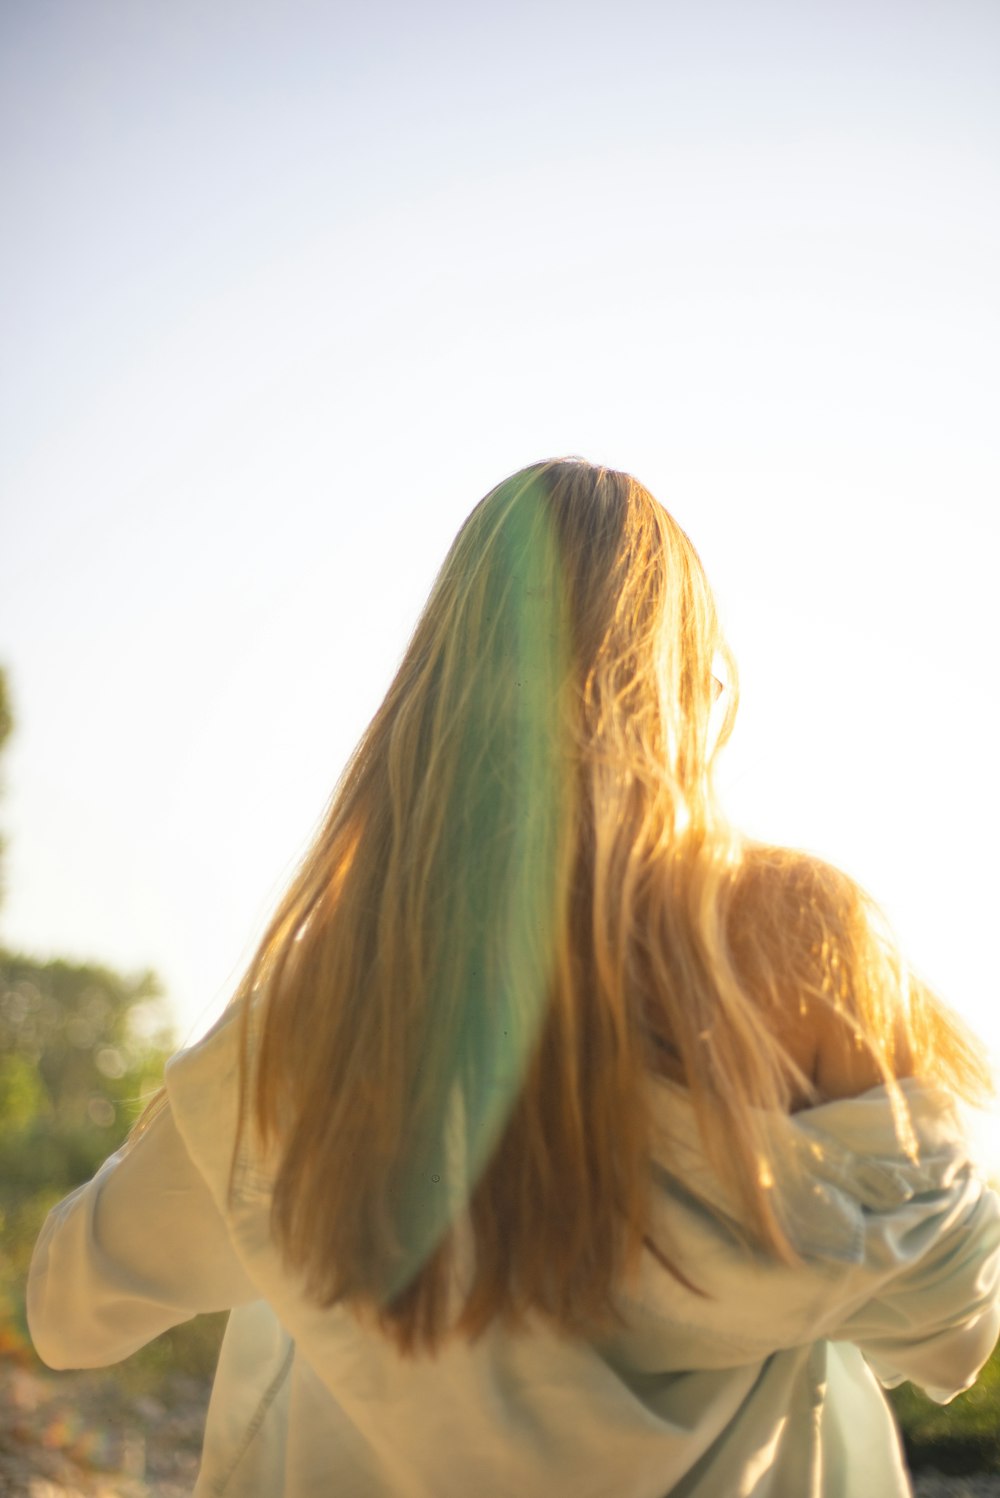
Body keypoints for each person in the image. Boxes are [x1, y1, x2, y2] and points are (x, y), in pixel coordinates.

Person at [28, 459, 1000, 1497]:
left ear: (441, 685)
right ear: (688, 680)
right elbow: (953, 1322)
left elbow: (70, 1311)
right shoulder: (798, 940)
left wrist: (251, 1123)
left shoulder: (309, 1031)